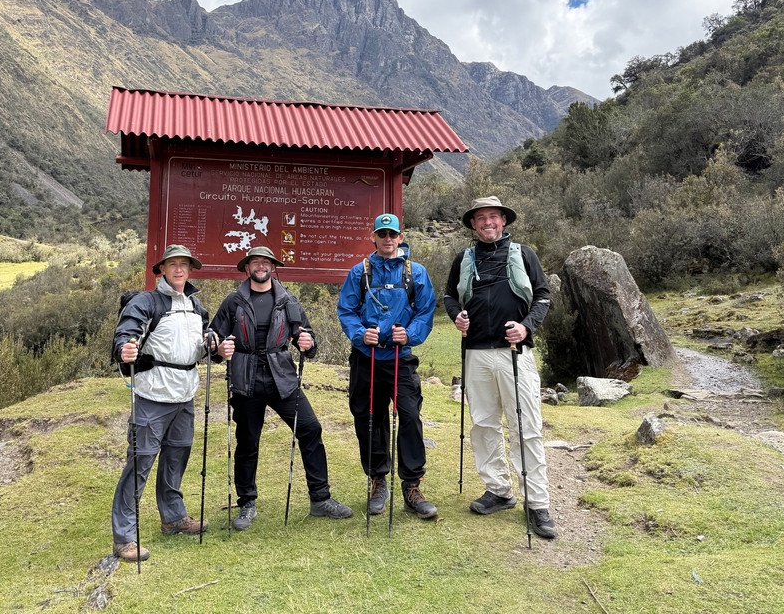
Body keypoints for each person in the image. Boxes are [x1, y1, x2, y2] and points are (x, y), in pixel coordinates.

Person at [209, 246, 353, 530]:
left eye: (265, 262)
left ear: (273, 268)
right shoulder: (233, 301)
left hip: (282, 377)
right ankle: (247, 503)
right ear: (247, 267)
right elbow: (213, 341)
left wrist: (308, 344)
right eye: (255, 262)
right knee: (247, 441)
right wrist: (218, 348)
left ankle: (320, 499)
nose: (260, 266)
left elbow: (308, 339)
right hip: (246, 380)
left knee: (310, 428)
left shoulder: (288, 300)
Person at [442, 196, 556, 539]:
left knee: (526, 426)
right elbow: (449, 296)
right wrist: (457, 316)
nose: (487, 222)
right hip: (476, 352)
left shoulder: (524, 254)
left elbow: (543, 295)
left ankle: (537, 502)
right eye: (481, 218)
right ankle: (499, 490)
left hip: (514, 351)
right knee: (483, 423)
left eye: (493, 217)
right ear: (473, 224)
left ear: (503, 221)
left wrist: (527, 326)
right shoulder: (464, 258)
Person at [110, 244, 221, 563]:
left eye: (184, 264)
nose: (178, 270)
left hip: (185, 397)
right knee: (139, 465)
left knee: (176, 459)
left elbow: (201, 344)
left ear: (190, 269)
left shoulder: (195, 306)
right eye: (172, 264)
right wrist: (124, 350)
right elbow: (126, 335)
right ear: (161, 269)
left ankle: (173, 518)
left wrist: (213, 346)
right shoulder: (146, 302)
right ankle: (124, 538)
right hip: (152, 397)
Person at [337, 213, 438, 519]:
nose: (387, 239)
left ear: (400, 237)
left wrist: (410, 333)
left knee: (409, 417)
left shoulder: (415, 273)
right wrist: (359, 333)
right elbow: (347, 309)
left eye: (392, 234)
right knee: (369, 419)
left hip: (400, 359)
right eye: (382, 234)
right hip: (367, 359)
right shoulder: (359, 272)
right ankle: (378, 480)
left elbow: (425, 310)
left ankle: (412, 485)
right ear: (374, 237)